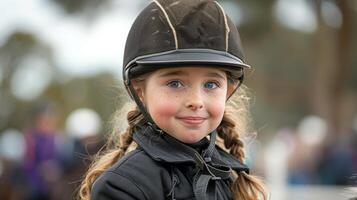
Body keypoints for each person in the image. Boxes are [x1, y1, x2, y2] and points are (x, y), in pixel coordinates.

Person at [79, 0, 267, 199]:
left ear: (228, 91)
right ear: (140, 91)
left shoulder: (228, 176)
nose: (196, 101)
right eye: (175, 83)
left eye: (211, 84)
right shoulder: (122, 186)